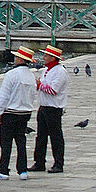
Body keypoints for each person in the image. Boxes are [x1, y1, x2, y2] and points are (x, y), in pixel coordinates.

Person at [0, 46, 36, 181]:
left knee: (6, 143)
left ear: (21, 59)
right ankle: (22, 170)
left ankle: (3, 169)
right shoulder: (31, 76)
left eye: (16, 57)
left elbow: (4, 96)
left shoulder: (12, 74)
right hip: (25, 112)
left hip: (10, 112)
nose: (14, 59)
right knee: (21, 141)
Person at [29, 45, 68, 174]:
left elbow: (53, 90)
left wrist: (40, 85)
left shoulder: (60, 72)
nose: (44, 58)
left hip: (54, 108)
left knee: (56, 137)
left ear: (53, 58)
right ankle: (39, 162)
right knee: (41, 136)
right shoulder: (46, 70)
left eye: (46, 56)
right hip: (43, 106)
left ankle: (58, 163)